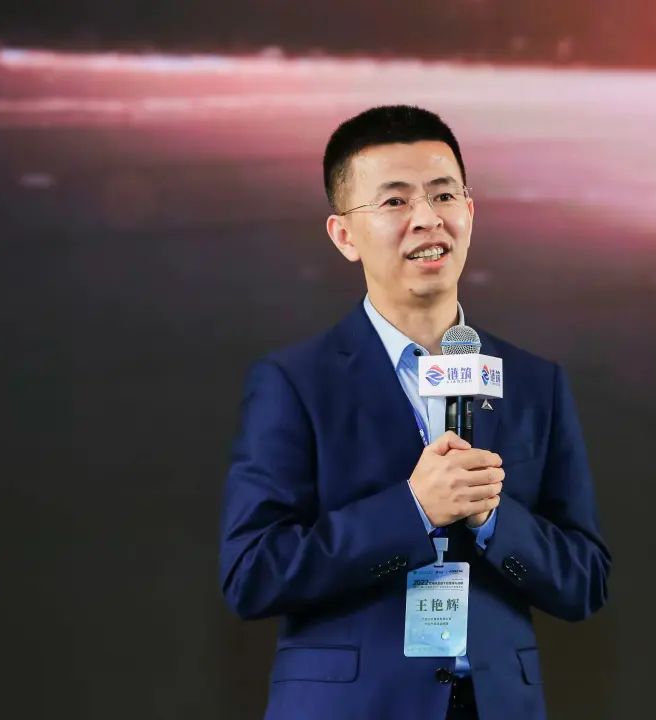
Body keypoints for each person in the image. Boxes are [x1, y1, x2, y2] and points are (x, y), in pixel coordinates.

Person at [219, 105, 610, 720]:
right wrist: (413, 509)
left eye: (443, 195)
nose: (428, 218)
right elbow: (252, 574)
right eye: (395, 201)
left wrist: (493, 520)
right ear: (344, 235)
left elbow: (585, 580)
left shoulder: (536, 383)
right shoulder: (295, 382)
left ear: (470, 211)